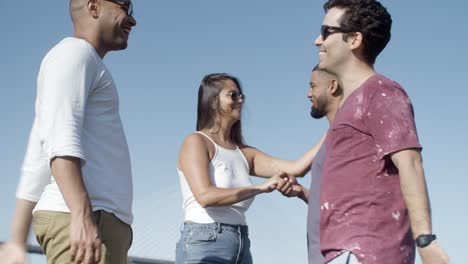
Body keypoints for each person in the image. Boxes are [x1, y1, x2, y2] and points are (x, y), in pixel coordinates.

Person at [312, 0, 450, 263]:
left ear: (354, 39)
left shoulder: (381, 92)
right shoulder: (350, 103)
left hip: (367, 252)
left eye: (326, 31)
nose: (318, 40)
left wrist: (426, 239)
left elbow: (410, 163)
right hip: (343, 252)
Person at [0, 0, 137, 263]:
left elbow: (39, 151)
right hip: (87, 219)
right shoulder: (74, 53)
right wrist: (82, 215)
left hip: (96, 220)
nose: (132, 20)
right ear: (94, 7)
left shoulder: (81, 61)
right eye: (125, 7)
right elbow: (62, 139)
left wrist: (17, 240)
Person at [176, 73, 324, 264]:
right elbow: (205, 196)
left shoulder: (244, 153)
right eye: (233, 95)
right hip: (204, 241)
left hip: (241, 243)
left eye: (241, 96)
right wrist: (261, 188)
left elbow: (297, 168)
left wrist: (334, 127)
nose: (240, 100)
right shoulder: (196, 142)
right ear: (213, 101)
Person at [282, 65, 343, 264]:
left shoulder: (349, 137)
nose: (309, 94)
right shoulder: (329, 139)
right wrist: (301, 192)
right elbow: (334, 203)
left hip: (341, 254)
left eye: (313, 86)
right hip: (321, 256)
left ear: (332, 86)